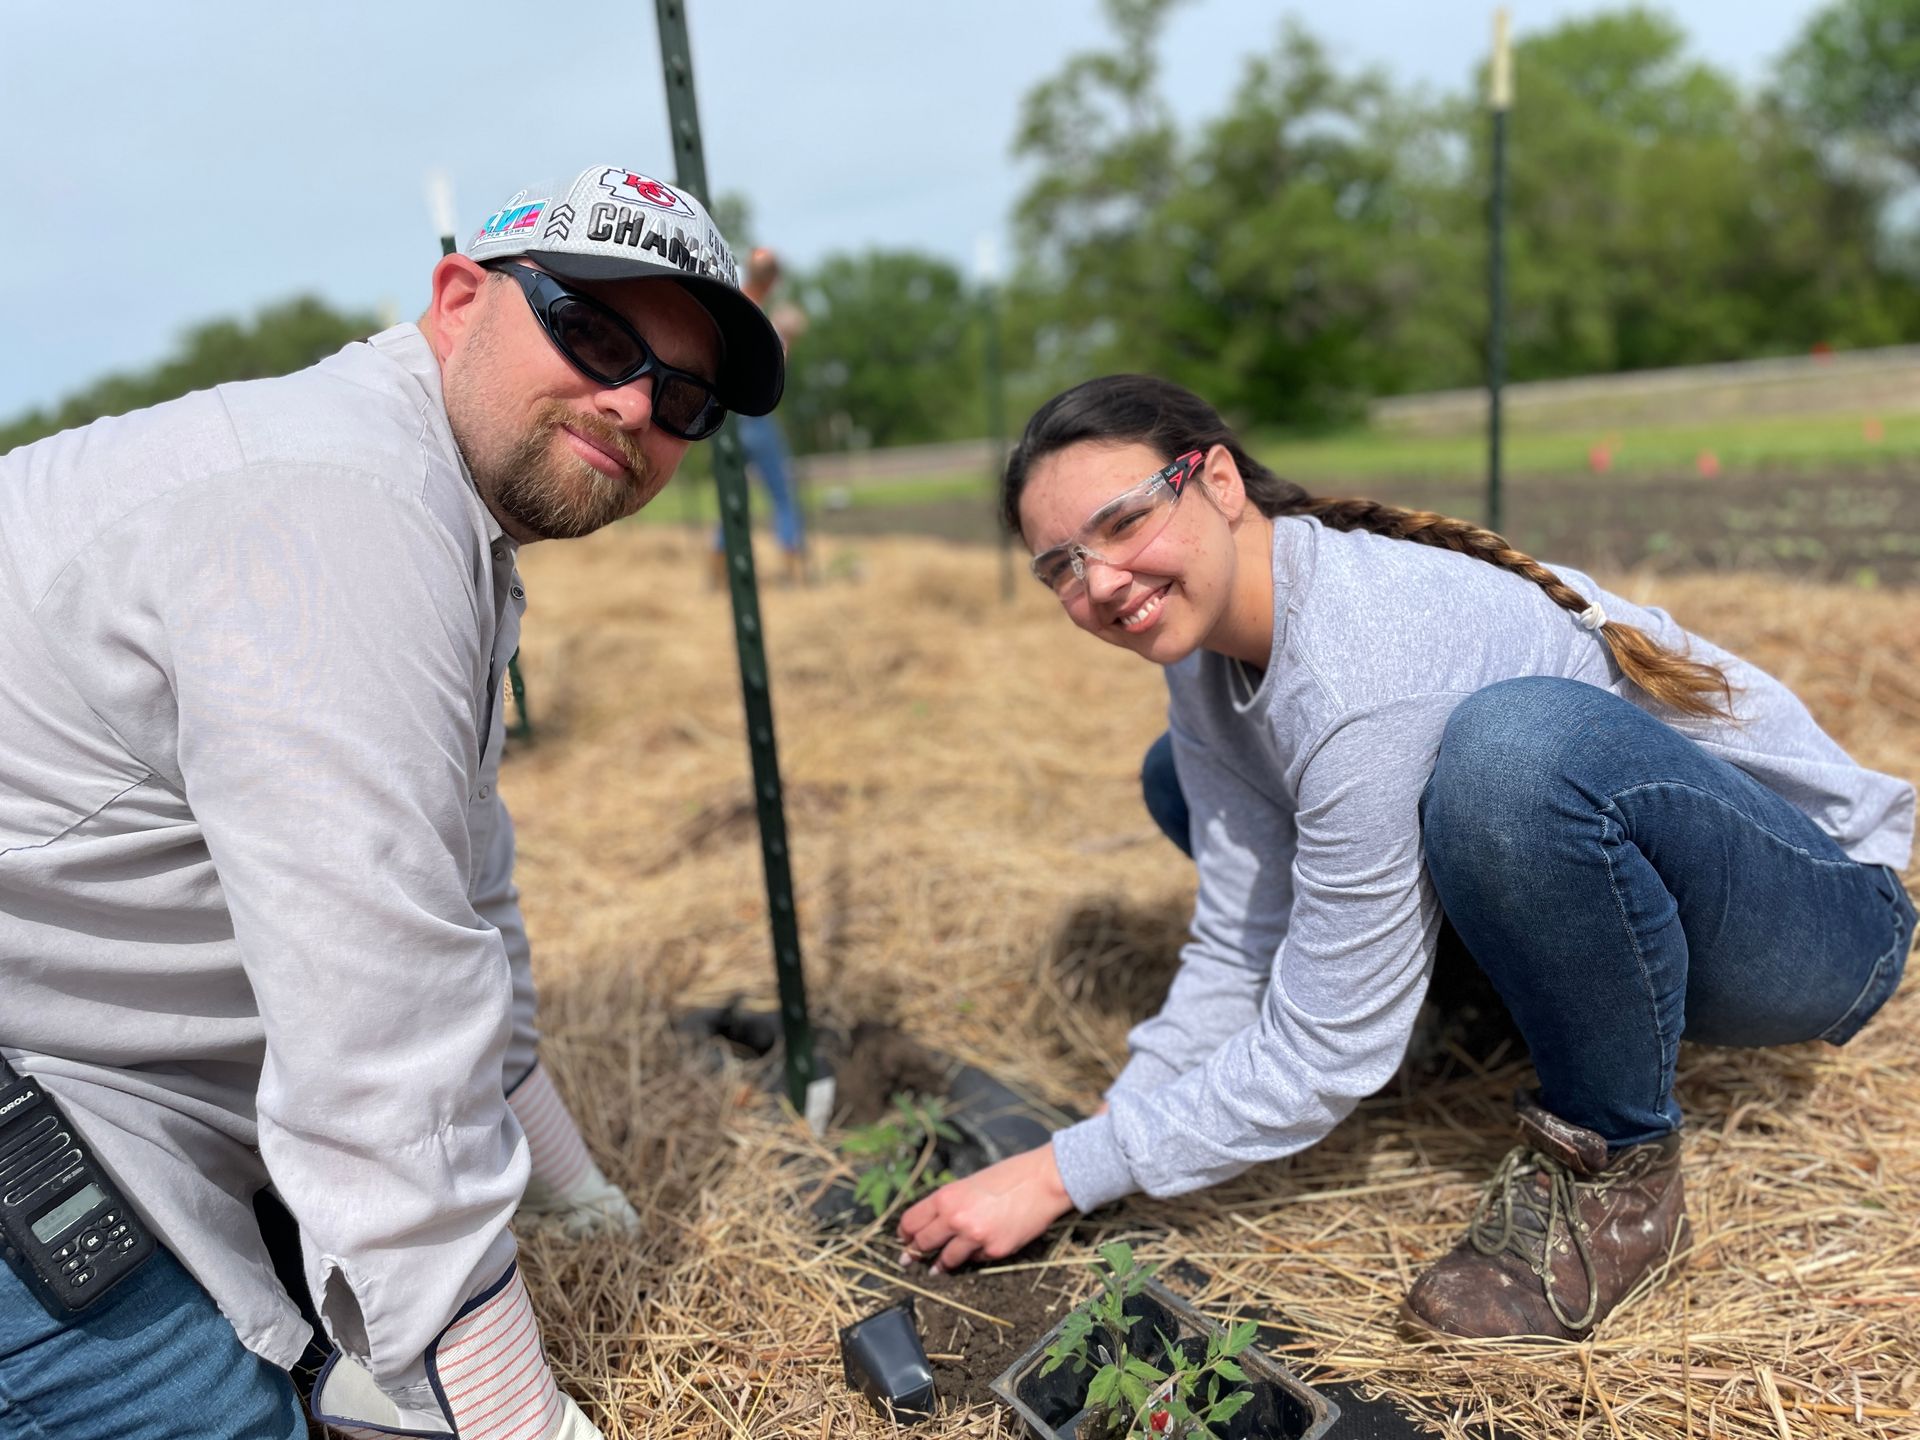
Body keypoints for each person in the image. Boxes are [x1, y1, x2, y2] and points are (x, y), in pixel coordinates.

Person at [0, 162, 783, 1437]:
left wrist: (561, 1184)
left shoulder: (444, 515)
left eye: (684, 395)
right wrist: (517, 1420)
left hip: (90, 1027)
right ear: (459, 296)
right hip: (39, 1055)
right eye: (592, 332)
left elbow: (462, 892)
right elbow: (380, 1032)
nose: (636, 401)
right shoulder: (343, 513)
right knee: (224, 1415)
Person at [898, 374, 1915, 1342]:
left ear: (1216, 481)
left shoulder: (1364, 657)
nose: (1101, 582)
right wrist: (1126, 1116)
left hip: (1814, 925)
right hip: (1654, 908)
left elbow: (1329, 1048)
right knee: (1181, 775)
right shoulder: (1209, 669)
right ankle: (1484, 1007)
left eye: (1120, 522)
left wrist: (1062, 1176)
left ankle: (1615, 1173)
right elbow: (1243, 931)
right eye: (1060, 566)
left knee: (1512, 758)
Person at [712, 246, 809, 587]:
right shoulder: (769, 320)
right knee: (783, 495)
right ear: (774, 280)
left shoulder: (728, 304)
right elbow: (773, 374)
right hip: (756, 417)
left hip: (727, 421)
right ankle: (794, 571)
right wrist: (788, 338)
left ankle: (718, 573)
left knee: (733, 493)